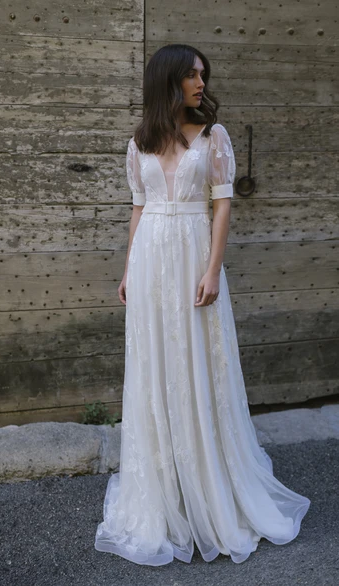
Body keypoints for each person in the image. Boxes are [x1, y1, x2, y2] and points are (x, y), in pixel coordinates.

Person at [94, 43, 310, 566]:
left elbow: (221, 206)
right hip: (150, 266)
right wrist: (127, 270)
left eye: (202, 75)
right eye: (192, 74)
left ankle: (208, 484)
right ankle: (166, 488)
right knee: (155, 369)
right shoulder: (138, 143)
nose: (200, 83)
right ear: (168, 80)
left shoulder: (214, 137)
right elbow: (138, 210)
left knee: (198, 365)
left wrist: (212, 269)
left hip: (193, 258)